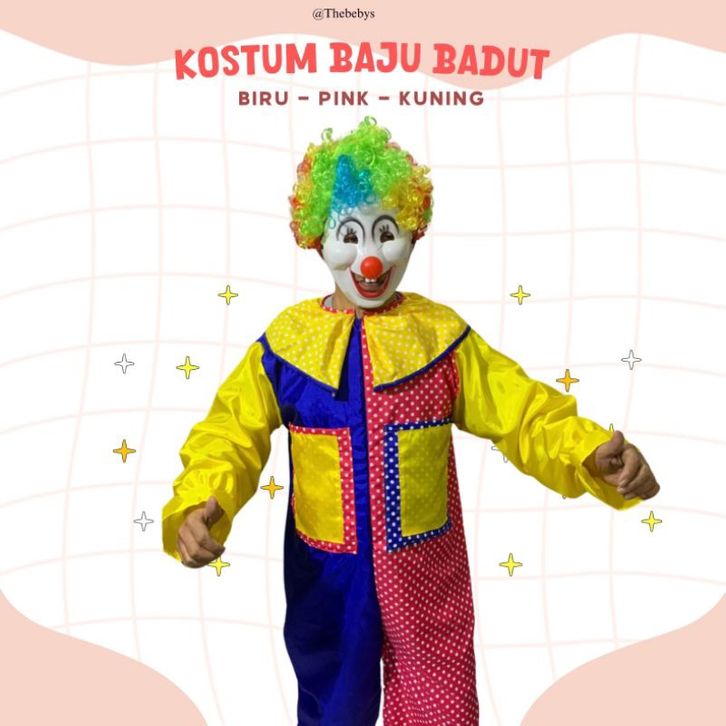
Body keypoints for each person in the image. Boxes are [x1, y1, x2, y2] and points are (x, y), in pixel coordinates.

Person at [161, 116, 660, 726]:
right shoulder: (286, 344)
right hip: (326, 578)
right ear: (317, 239)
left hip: (427, 574)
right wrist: (199, 503)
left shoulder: (440, 337)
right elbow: (229, 433)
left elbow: (522, 411)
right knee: (332, 711)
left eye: (387, 232)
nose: (370, 259)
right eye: (350, 235)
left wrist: (587, 450)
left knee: (440, 710)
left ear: (413, 234)